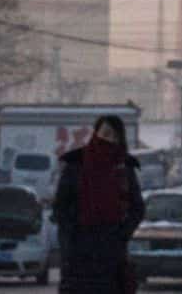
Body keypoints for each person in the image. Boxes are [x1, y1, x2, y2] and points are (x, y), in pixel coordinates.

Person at [52, 115, 145, 294]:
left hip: (112, 253)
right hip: (79, 254)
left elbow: (137, 207)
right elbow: (60, 206)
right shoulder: (75, 163)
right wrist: (72, 236)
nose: (108, 140)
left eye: (114, 136)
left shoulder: (124, 166)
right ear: (96, 133)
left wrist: (121, 234)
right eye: (105, 133)